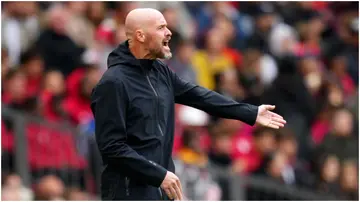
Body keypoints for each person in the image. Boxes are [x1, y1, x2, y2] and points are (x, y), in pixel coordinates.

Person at [90, 8, 286, 201]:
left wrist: (250, 112)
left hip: (160, 189)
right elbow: (112, 147)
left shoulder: (161, 72)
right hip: (128, 193)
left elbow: (199, 96)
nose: (169, 32)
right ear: (140, 35)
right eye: (161, 27)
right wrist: (158, 175)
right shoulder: (113, 82)